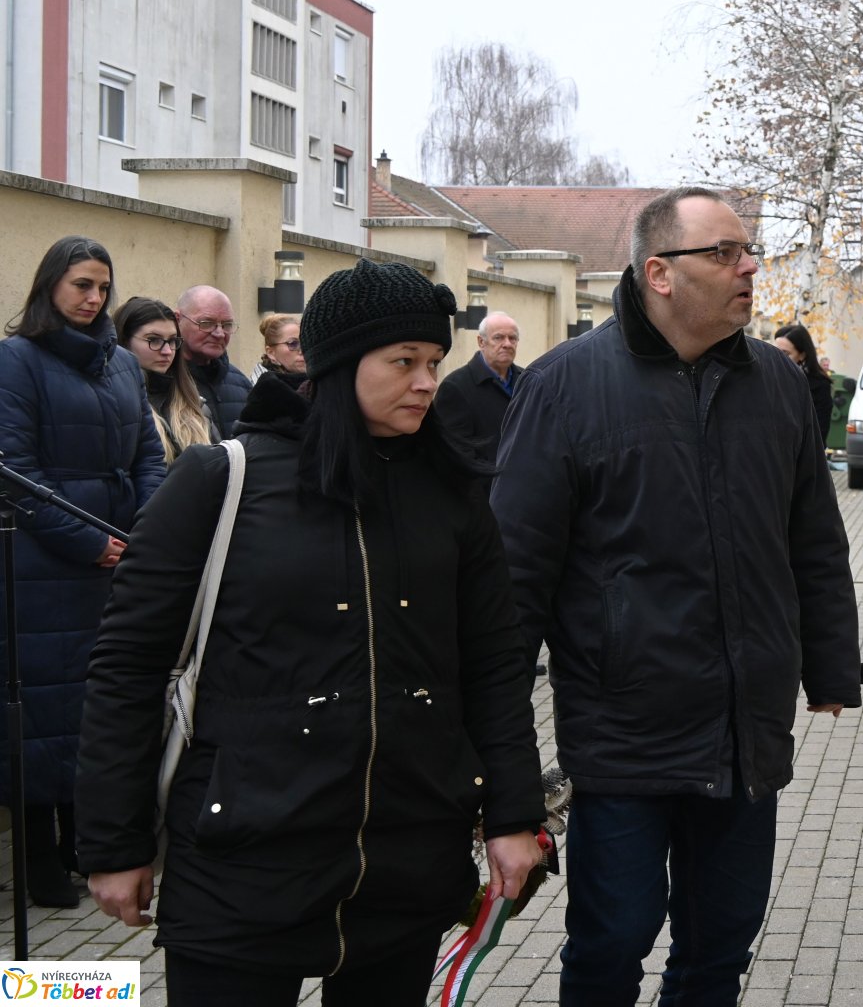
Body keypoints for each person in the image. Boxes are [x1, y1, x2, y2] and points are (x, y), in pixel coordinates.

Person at [76, 259, 547, 1005]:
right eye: (403, 362)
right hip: (240, 863)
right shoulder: (219, 480)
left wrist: (514, 814)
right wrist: (113, 843)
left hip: (405, 859)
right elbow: (127, 665)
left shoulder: (452, 496)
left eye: (433, 362)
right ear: (338, 363)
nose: (427, 381)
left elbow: (493, 663)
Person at [493, 186, 863, 1006]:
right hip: (624, 730)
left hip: (744, 734)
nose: (750, 268)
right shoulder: (564, 387)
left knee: (720, 944)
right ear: (658, 272)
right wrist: (496, 750)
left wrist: (832, 667)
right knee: (612, 940)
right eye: (725, 253)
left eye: (748, 252)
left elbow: (813, 537)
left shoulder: (774, 383)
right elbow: (514, 575)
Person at [0, 236, 167, 907]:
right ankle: (41, 860)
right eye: (81, 285)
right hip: (45, 566)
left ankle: (85, 845)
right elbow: (14, 471)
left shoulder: (122, 366)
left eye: (103, 286)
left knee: (97, 706)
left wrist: (147, 530)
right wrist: (89, 540)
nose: (94, 298)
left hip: (118, 561)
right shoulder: (17, 360)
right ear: (50, 288)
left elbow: (147, 456)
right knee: (40, 711)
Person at [113, 297, 214, 463]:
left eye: (173, 341)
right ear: (124, 341)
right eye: (154, 340)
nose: (167, 351)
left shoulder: (196, 406)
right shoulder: (115, 403)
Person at [435, 312, 522, 464]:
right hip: (486, 484)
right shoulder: (456, 387)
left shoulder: (527, 381)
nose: (507, 344)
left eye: (512, 338)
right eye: (498, 337)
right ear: (481, 342)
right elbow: (455, 453)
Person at [176, 285, 250, 438]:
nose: (219, 333)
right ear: (178, 320)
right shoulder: (164, 382)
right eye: (206, 323)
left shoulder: (242, 384)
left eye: (227, 325)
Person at [772, 322, 834, 445]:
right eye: (774, 351)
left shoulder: (819, 386)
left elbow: (819, 433)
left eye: (785, 354)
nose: (777, 358)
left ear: (802, 355)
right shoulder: (765, 379)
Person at [254, 313, 305, 380]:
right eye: (293, 344)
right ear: (271, 353)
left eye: (305, 343)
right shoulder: (263, 387)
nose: (302, 351)